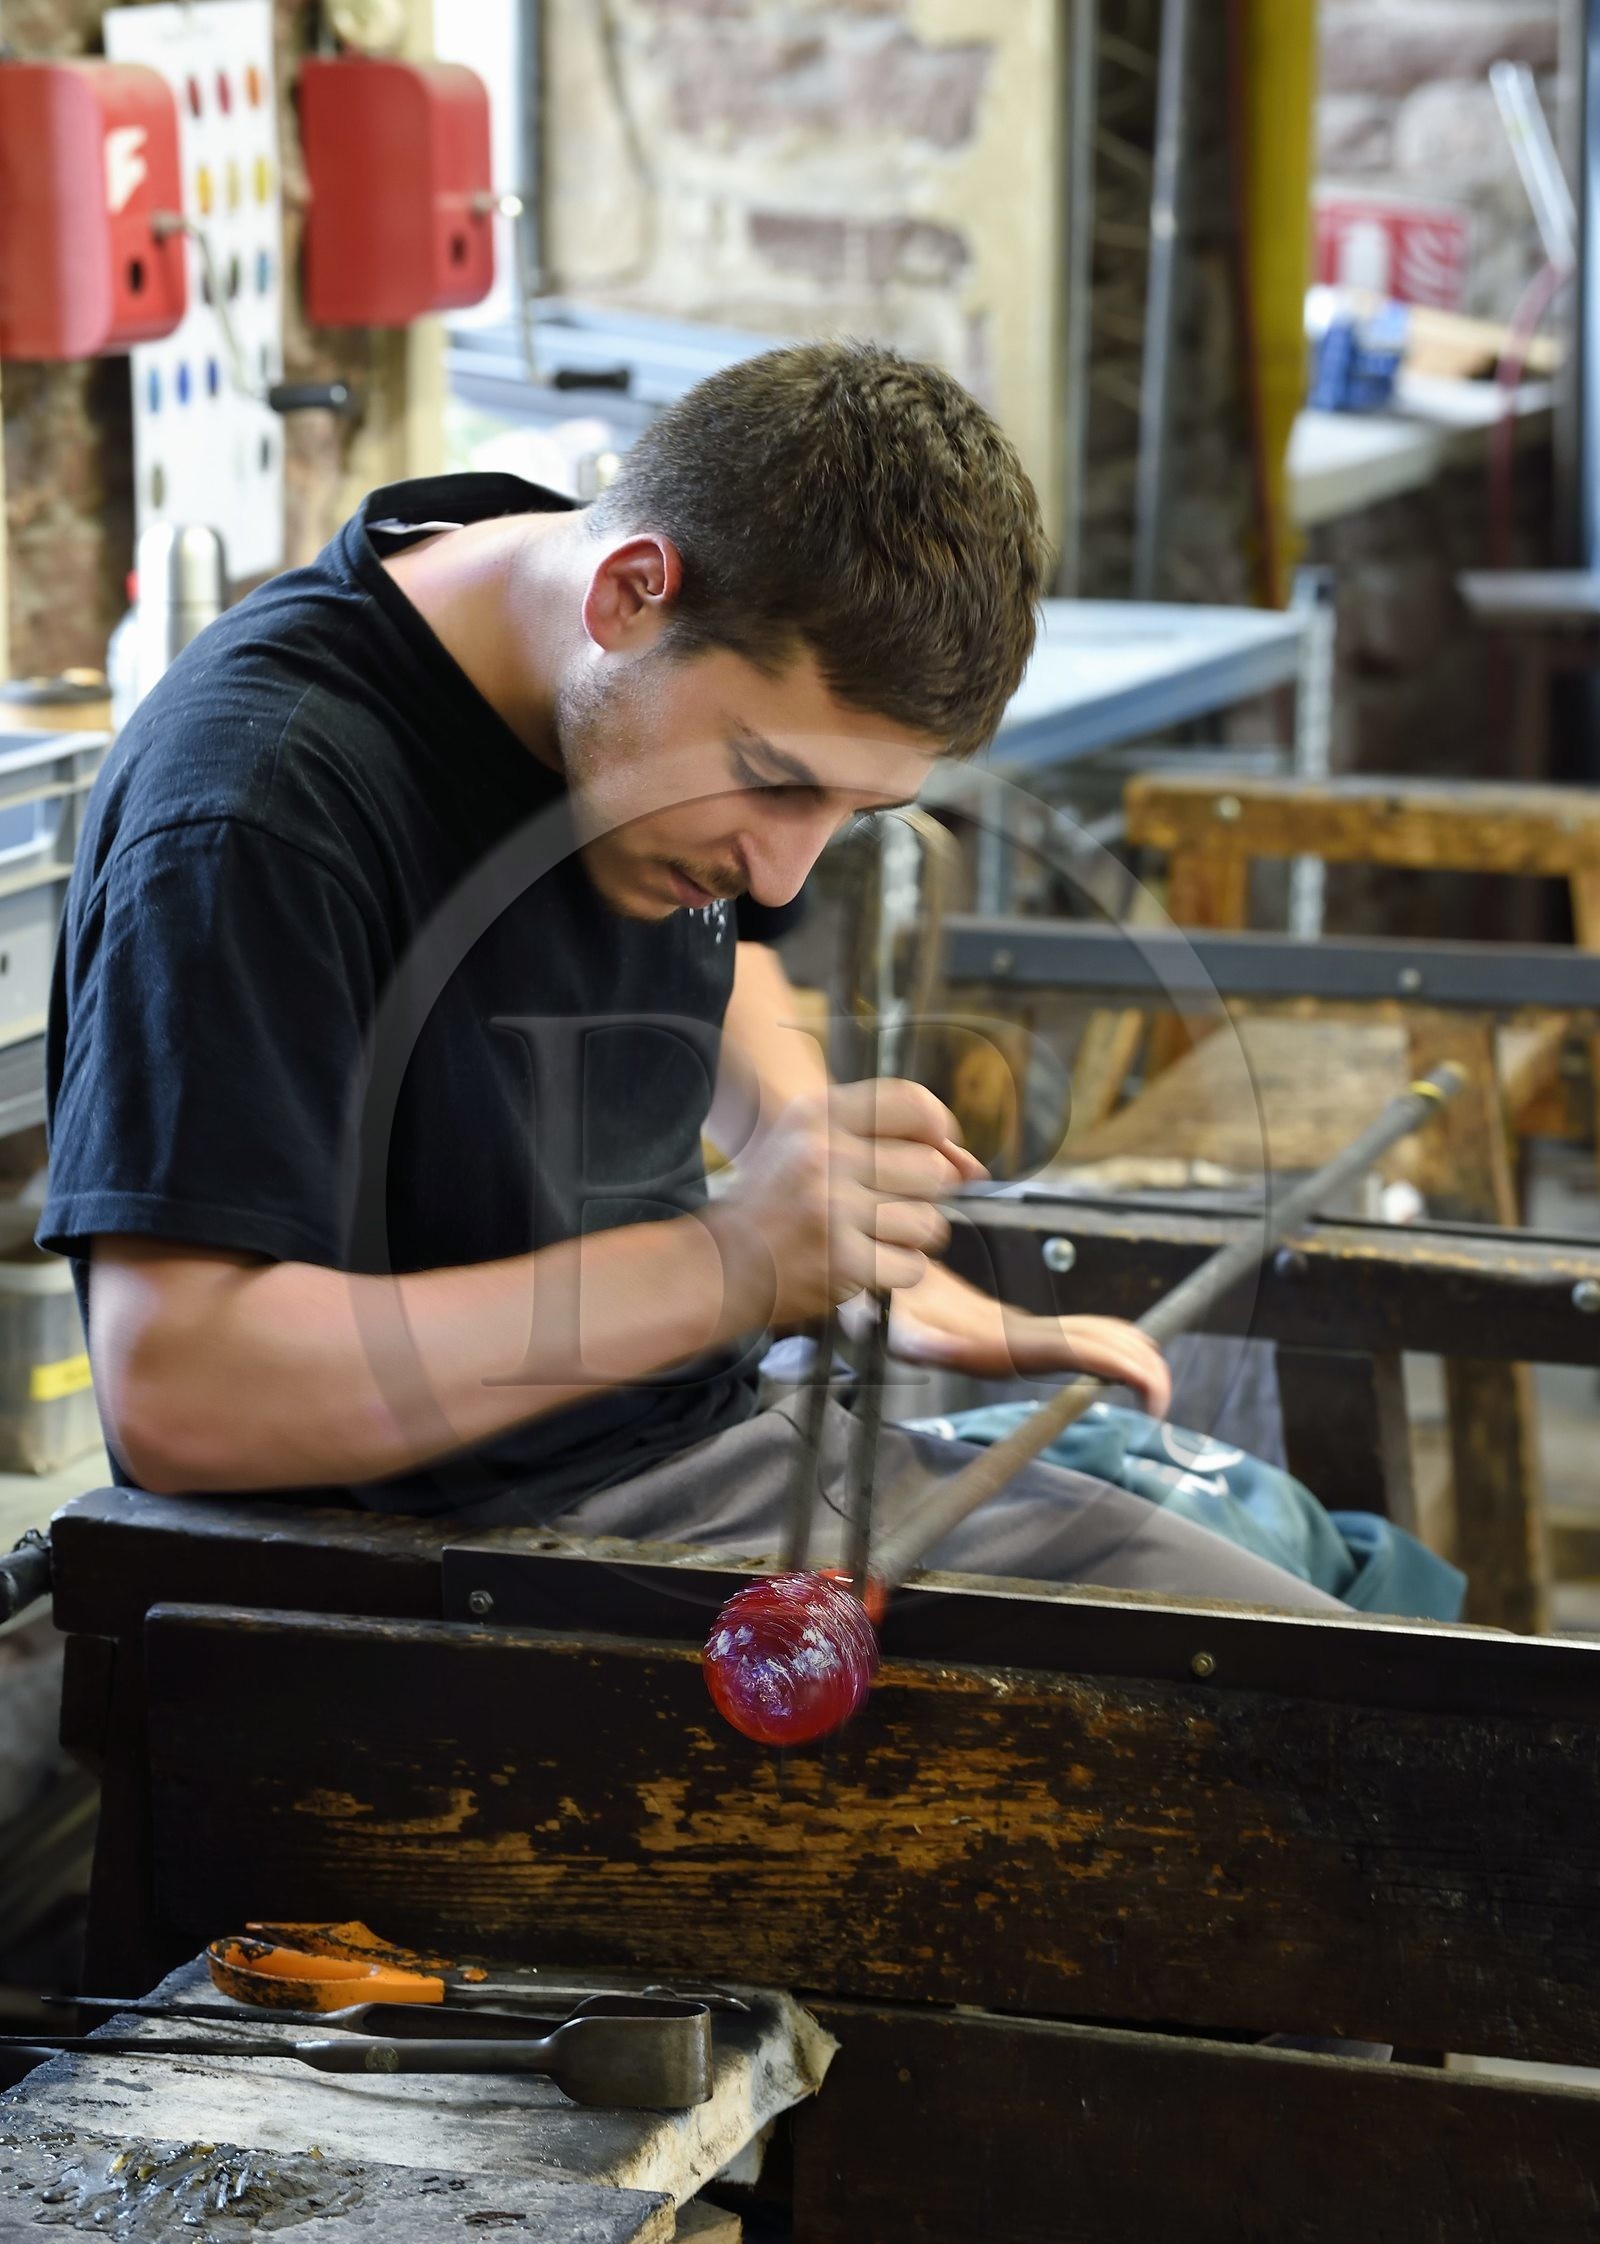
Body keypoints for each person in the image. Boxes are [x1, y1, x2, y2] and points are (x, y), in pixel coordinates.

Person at [42, 340, 1333, 1614]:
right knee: (1329, 1709)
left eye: (848, 815)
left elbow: (733, 956)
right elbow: (184, 1393)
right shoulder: (258, 811)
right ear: (627, 596)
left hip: (702, 1433)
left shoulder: (592, 633)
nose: (782, 873)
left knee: (1327, 1595)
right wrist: (733, 1263)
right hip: (453, 1572)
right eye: (773, 783)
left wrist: (812, 1162)